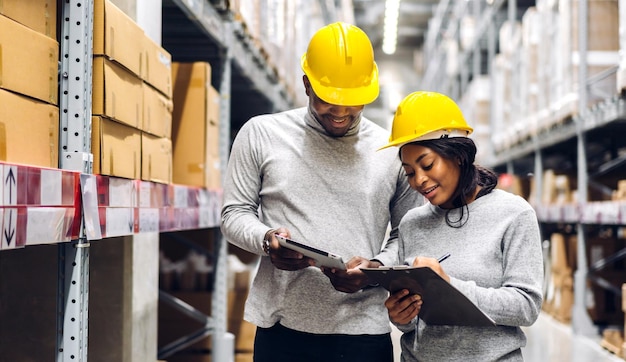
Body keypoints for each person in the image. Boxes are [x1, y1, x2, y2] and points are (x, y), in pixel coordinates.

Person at [220, 22, 422, 362]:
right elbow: (233, 214)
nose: (342, 112)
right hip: (281, 330)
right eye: (330, 101)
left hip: (363, 333)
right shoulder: (262, 134)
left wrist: (374, 270)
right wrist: (267, 240)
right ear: (306, 84)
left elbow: (408, 235)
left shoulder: (392, 151)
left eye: (353, 102)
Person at [379, 91, 544, 361]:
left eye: (427, 165)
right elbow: (413, 323)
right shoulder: (412, 224)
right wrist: (402, 316)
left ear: (458, 155)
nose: (418, 180)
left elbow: (527, 306)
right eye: (409, 172)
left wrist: (450, 286)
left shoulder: (513, 214)